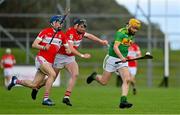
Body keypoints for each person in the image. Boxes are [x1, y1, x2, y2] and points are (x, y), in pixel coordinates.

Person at [31, 18, 108, 106]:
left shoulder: (81, 32)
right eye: (82, 26)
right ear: (76, 26)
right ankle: (37, 87)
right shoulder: (71, 32)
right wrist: (82, 55)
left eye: (85, 27)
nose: (84, 29)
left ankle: (66, 97)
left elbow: (89, 35)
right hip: (59, 57)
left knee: (75, 74)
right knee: (52, 78)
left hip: (70, 58)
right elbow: (70, 48)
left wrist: (101, 41)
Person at [7, 15, 68, 106]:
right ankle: (46, 99)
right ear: (53, 23)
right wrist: (44, 47)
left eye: (61, 23)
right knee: (52, 74)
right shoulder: (45, 32)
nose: (61, 24)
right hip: (41, 59)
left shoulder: (62, 36)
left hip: (49, 63)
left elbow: (68, 49)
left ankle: (16, 81)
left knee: (34, 85)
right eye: (59, 22)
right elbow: (34, 44)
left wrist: (69, 48)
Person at [86, 18, 141, 109]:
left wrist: (125, 57)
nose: (135, 30)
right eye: (134, 28)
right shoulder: (121, 33)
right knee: (104, 82)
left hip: (122, 61)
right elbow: (115, 47)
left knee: (127, 79)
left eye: (137, 29)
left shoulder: (132, 35)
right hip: (112, 59)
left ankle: (123, 101)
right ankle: (94, 76)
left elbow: (125, 47)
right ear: (130, 26)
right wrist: (122, 57)